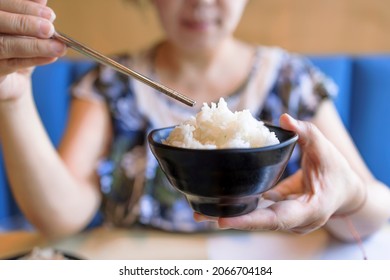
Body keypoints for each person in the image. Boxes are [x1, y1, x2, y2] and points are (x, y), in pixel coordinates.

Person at [0, 0, 389, 243]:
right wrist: (13, 97)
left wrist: (350, 197)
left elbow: (375, 211)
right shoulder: (110, 84)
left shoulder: (293, 82)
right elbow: (61, 215)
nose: (200, 1)